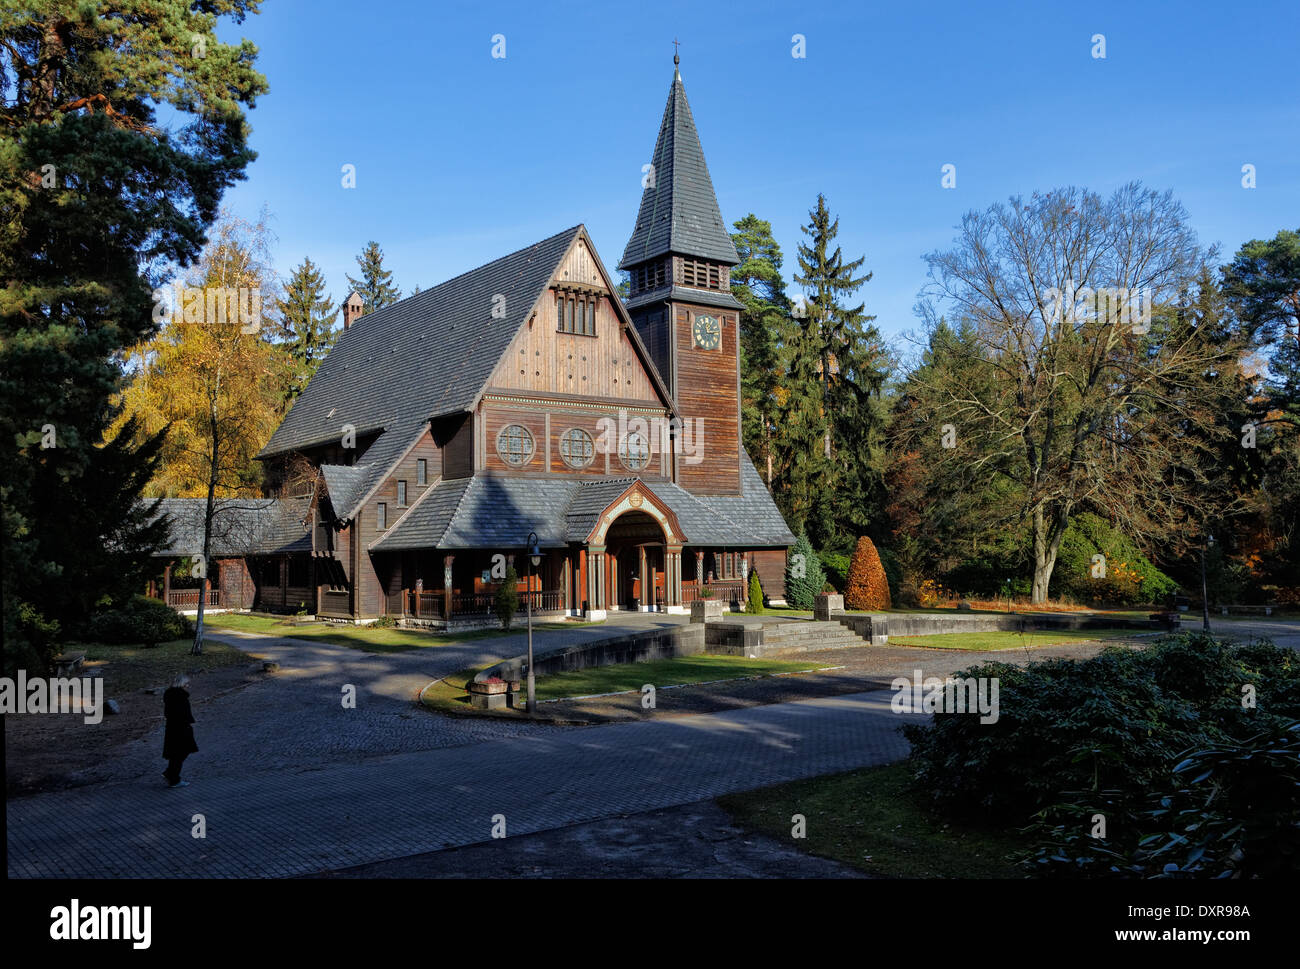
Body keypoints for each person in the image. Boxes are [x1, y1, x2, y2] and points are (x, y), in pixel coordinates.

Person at [162, 673, 198, 788]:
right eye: (186, 683)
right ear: (181, 683)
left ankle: (170, 774)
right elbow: (181, 713)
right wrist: (187, 723)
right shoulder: (180, 696)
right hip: (181, 728)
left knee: (177, 753)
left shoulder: (170, 694)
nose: (188, 686)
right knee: (180, 753)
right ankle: (173, 778)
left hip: (173, 727)